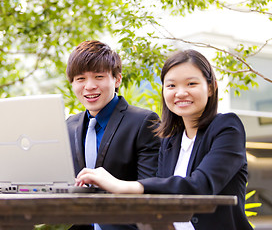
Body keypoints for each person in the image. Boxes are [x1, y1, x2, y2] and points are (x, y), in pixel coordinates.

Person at [76, 49, 253, 230]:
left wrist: (123, 186)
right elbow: (158, 201)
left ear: (210, 87)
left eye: (191, 84)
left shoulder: (227, 127)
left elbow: (201, 186)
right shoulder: (170, 140)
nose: (181, 93)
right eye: (171, 86)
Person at [66, 40, 161, 230]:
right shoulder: (68, 126)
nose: (89, 86)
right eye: (80, 79)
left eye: (99, 76)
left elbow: (151, 189)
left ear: (117, 79)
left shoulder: (144, 122)